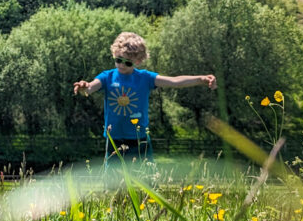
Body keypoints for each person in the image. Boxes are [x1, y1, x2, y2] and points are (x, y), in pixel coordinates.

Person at [73, 31, 215, 162]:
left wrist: (201, 79)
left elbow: (175, 81)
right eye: (118, 60)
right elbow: (90, 88)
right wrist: (84, 87)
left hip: (139, 138)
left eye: (127, 62)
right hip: (114, 139)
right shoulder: (107, 77)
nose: (121, 65)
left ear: (138, 61)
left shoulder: (145, 78)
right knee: (113, 179)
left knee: (146, 177)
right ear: (114, 55)